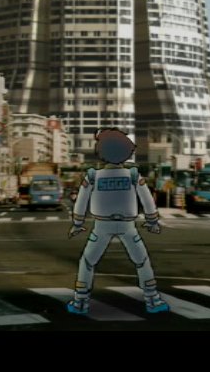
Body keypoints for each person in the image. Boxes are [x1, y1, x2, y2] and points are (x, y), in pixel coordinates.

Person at [67, 128, 169, 315]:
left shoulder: (93, 176)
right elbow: (147, 200)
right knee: (142, 261)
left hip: (101, 226)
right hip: (128, 226)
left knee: (88, 262)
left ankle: (80, 302)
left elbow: (81, 201)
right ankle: (153, 300)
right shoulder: (133, 175)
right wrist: (152, 220)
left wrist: (77, 223)